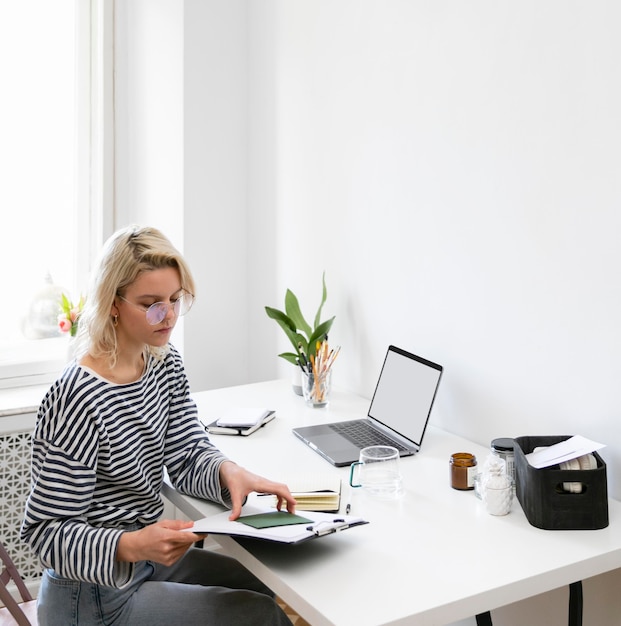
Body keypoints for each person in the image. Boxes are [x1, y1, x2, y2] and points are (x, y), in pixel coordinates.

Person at [21, 225, 297, 626]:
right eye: (151, 303)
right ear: (112, 303)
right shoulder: (77, 398)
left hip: (142, 564)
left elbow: (186, 454)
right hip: (90, 595)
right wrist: (132, 544)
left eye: (174, 299)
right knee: (262, 615)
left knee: (263, 581)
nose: (167, 315)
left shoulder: (164, 363)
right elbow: (47, 534)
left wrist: (230, 472)